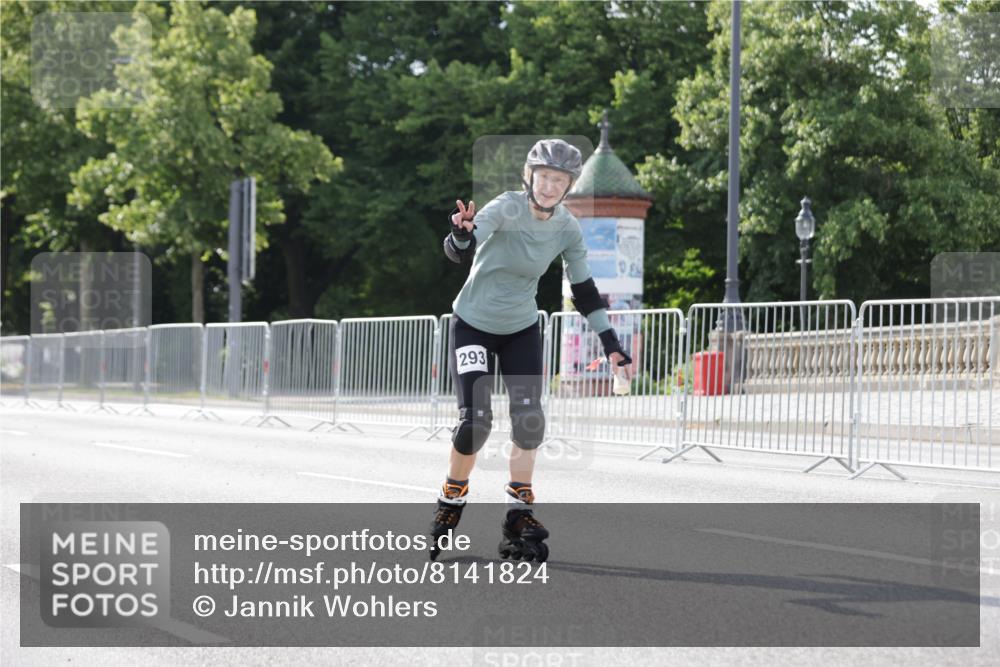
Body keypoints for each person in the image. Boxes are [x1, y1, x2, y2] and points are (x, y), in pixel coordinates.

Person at [430, 138, 632, 561]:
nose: (549, 186)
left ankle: (518, 512)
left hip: (521, 328)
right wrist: (460, 233)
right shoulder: (505, 207)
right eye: (543, 177)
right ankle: (451, 498)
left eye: (559, 180)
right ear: (530, 177)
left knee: (530, 421)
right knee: (475, 424)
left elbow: (585, 291)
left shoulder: (566, 228)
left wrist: (611, 346)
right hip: (473, 326)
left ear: (568, 186)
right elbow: (460, 247)